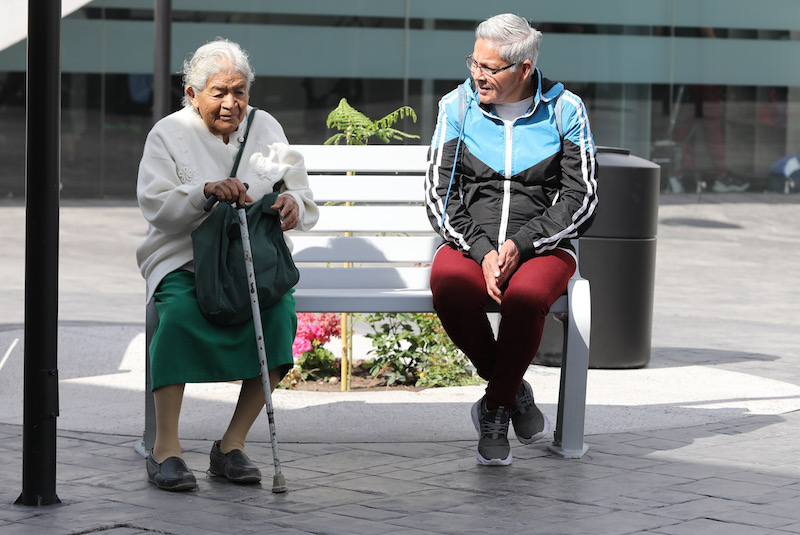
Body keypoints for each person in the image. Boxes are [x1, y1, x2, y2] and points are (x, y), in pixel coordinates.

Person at [136, 38, 318, 491]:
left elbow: (300, 191)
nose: (230, 103)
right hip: (186, 259)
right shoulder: (167, 133)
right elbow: (156, 207)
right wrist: (204, 192)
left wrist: (293, 203)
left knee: (278, 319)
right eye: (218, 92)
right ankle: (166, 450)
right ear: (192, 92)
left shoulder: (266, 126)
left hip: (251, 261)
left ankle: (231, 445)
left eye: (239, 91)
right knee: (175, 316)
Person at [424, 14, 598, 466]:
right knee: (449, 287)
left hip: (543, 246)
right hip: (470, 244)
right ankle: (516, 392)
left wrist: (523, 243)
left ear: (522, 70)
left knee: (525, 297)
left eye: (490, 67)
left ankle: (495, 408)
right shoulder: (456, 107)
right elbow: (439, 195)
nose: (477, 75)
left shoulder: (565, 109)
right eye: (473, 63)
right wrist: (482, 251)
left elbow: (583, 198)